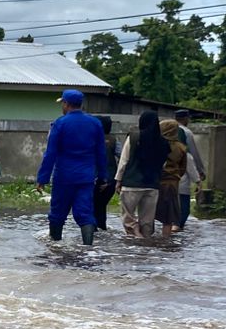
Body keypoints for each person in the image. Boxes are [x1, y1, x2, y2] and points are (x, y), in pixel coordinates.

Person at [35, 89, 108, 244]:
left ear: (66, 104)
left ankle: (55, 246)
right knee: (85, 214)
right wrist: (103, 177)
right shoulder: (95, 123)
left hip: (64, 177)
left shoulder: (60, 123)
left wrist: (42, 178)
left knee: (57, 213)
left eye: (62, 103)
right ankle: (88, 249)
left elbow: (50, 153)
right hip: (86, 178)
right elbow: (101, 153)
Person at [114, 111, 170, 237]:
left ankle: (134, 234)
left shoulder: (134, 137)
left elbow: (124, 160)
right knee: (147, 221)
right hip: (152, 185)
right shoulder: (164, 142)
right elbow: (163, 164)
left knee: (128, 217)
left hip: (132, 184)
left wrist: (118, 180)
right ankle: (145, 243)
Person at [156, 115, 192, 237]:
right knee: (168, 216)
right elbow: (183, 168)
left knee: (149, 213)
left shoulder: (156, 145)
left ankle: (148, 240)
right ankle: (166, 239)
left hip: (155, 182)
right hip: (172, 183)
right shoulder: (181, 148)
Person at [174, 110, 204, 227]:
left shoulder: (167, 130)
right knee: (183, 209)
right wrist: (200, 172)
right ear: (185, 118)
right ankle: (177, 226)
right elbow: (193, 154)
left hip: (167, 181)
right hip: (183, 180)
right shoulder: (186, 133)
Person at [93, 116, 119, 230]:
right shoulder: (114, 140)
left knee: (93, 208)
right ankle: (102, 229)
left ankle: (93, 233)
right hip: (110, 181)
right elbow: (122, 157)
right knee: (101, 207)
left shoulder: (90, 139)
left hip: (92, 180)